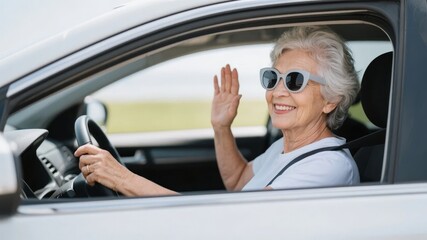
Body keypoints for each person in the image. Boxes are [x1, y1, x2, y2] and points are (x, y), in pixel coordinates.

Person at [74, 26, 360, 196]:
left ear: (330, 99)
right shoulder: (285, 148)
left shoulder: (326, 166)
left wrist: (122, 178)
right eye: (273, 78)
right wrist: (222, 127)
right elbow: (237, 184)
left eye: (295, 80)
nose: (278, 91)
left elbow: (233, 221)